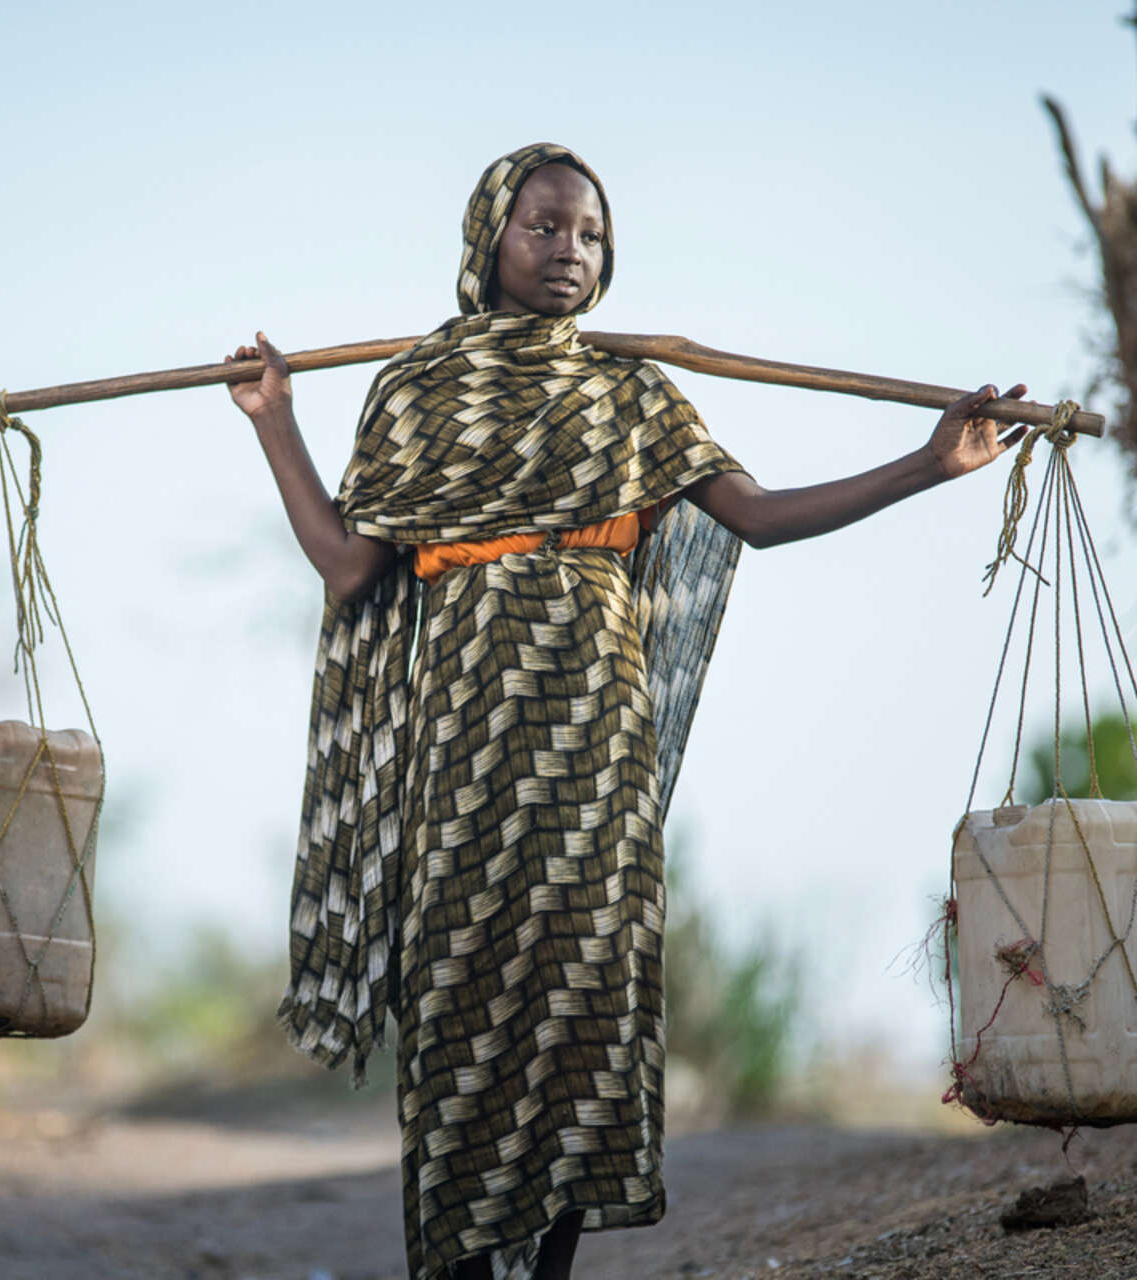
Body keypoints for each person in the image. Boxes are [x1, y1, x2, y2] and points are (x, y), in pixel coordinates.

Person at [226, 143, 1026, 1280]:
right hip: (460, 738)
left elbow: (758, 516)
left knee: (587, 995)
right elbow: (350, 566)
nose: (570, 251)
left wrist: (928, 463)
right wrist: (273, 418)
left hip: (596, 739)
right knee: (457, 993)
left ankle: (550, 1269)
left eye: (590, 234)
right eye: (544, 227)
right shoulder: (417, 389)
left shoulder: (633, 394)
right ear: (488, 240)